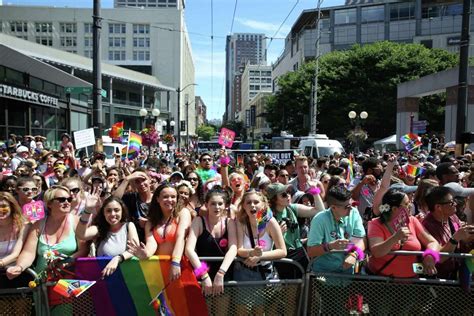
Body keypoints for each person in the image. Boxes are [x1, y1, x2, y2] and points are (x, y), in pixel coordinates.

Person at [6, 185, 88, 278]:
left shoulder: (77, 222)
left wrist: (67, 261)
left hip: (70, 280)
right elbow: (28, 253)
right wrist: (19, 267)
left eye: (69, 199)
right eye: (61, 199)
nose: (66, 202)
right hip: (43, 281)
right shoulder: (39, 224)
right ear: (49, 203)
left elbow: (84, 250)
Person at [234, 189, 287, 315]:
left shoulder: (270, 222)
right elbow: (239, 250)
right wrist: (252, 252)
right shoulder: (241, 222)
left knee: (260, 312)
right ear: (244, 206)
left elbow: (282, 251)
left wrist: (260, 256)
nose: (252, 205)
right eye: (248, 202)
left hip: (264, 273)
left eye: (256, 202)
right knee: (243, 311)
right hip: (244, 272)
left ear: (263, 204)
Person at [368, 189, 440, 278]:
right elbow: (377, 252)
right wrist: (395, 238)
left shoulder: (412, 220)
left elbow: (432, 242)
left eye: (410, 202)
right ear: (394, 209)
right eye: (406, 204)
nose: (410, 205)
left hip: (411, 281)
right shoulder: (375, 224)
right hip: (383, 282)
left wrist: (430, 255)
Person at [185, 186, 237, 296]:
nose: (216, 207)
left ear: (225, 205)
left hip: (223, 271)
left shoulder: (230, 222)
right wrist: (204, 275)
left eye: (220, 204)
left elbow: (233, 248)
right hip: (202, 272)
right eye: (213, 203)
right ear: (206, 205)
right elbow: (189, 250)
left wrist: (221, 273)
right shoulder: (198, 221)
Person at [266, 183, 325, 277]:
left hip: (299, 251)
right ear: (274, 199)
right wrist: (278, 234)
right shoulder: (268, 215)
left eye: (288, 192)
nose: (288, 196)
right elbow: (263, 241)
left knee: (306, 285)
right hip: (281, 255)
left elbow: (319, 211)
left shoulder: (291, 208)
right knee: (290, 288)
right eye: (283, 195)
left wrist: (315, 191)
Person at [307, 186, 366, 274]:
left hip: (349, 275)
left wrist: (354, 254)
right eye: (347, 207)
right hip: (323, 276)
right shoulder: (319, 219)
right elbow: (311, 251)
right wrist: (330, 246)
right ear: (333, 207)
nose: (351, 208)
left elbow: (362, 239)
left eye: (352, 204)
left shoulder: (354, 213)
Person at [76, 196, 139, 278]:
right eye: (108, 211)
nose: (113, 214)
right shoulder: (98, 229)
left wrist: (118, 258)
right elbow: (81, 234)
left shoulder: (129, 226)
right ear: (104, 213)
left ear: (122, 211)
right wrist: (87, 211)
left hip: (126, 279)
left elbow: (134, 249)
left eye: (116, 210)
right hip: (104, 279)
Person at [423, 186, 474, 279]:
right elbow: (439, 258)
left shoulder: (452, 216)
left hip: (456, 275)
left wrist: (469, 235)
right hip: (439, 280)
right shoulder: (427, 226)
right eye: (451, 202)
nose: (455, 203)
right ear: (438, 207)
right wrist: (455, 238)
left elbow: (463, 241)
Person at [113, 170, 153, 241]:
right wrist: (126, 179)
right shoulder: (131, 198)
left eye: (144, 180)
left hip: (155, 240)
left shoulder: (158, 198)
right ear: (134, 184)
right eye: (137, 181)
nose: (141, 184)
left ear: (149, 180)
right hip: (135, 240)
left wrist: (149, 223)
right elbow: (114, 200)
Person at [0, 192, 30, 287]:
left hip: (17, 274)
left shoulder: (23, 225)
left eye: (4, 206)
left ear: (12, 207)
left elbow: (16, 254)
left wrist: (1, 263)